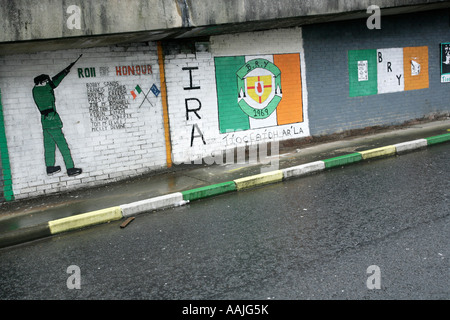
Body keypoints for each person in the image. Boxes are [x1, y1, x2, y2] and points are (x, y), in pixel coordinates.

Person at [32, 63, 82, 177]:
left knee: (49, 145)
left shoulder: (35, 90)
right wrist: (65, 71)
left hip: (45, 121)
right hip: (52, 120)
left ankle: (50, 167)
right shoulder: (44, 89)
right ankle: (70, 168)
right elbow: (55, 82)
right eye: (46, 81)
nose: (47, 82)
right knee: (63, 145)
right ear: (41, 82)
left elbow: (51, 84)